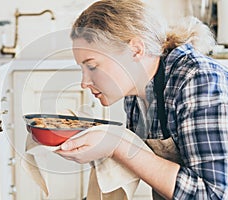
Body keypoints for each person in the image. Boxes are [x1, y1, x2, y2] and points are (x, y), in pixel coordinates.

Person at [56, 0, 228, 199]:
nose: (84, 82)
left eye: (92, 66)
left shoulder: (198, 80)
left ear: (135, 50)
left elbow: (214, 194)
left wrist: (117, 145)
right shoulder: (135, 92)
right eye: (82, 69)